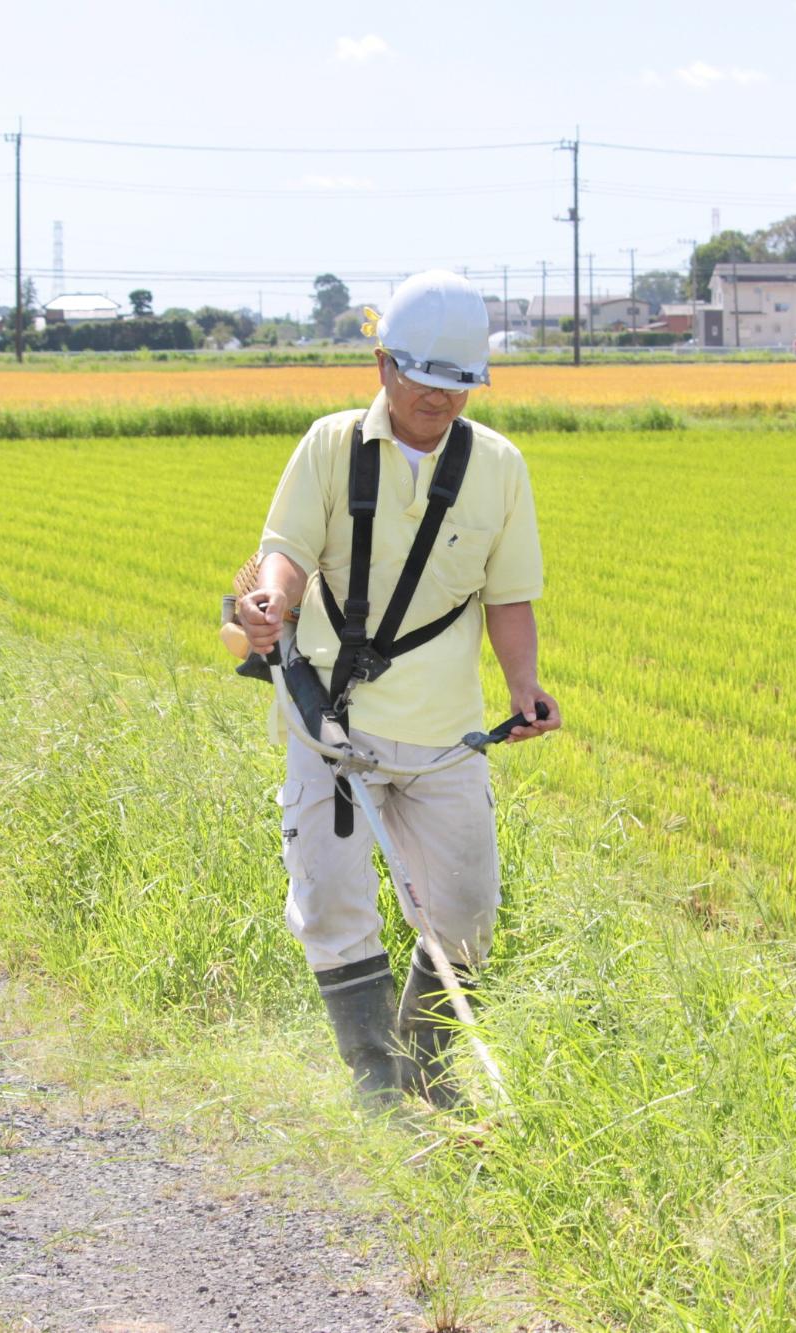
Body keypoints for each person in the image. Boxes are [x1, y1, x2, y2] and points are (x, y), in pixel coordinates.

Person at [238, 269, 560, 1107]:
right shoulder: (330, 445)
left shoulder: (498, 467)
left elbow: (509, 595)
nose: (439, 400)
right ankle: (377, 1087)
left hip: (445, 732)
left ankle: (427, 1067)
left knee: (467, 912)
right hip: (332, 722)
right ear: (383, 365)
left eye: (458, 385)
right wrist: (270, 601)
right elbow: (286, 552)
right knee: (331, 901)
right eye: (423, 379)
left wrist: (525, 688)